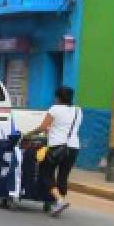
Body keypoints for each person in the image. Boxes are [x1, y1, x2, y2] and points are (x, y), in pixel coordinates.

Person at [31, 85, 82, 217]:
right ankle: (59, 201)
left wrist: (29, 133)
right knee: (63, 176)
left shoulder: (55, 109)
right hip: (73, 147)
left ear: (58, 97)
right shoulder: (78, 110)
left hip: (57, 147)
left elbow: (43, 127)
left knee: (45, 172)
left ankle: (59, 201)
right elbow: (67, 127)